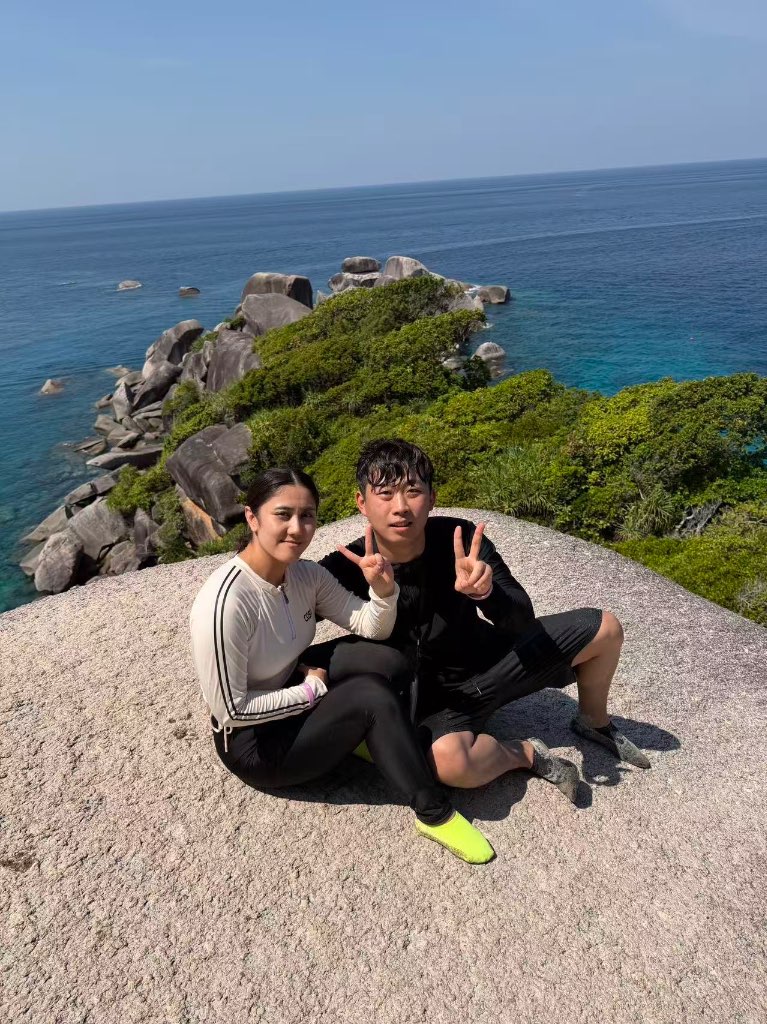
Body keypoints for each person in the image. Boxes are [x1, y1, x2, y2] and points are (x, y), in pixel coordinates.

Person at [189, 466, 495, 864]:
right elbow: (231, 711)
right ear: (252, 517)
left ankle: (380, 736)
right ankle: (433, 813)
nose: (297, 529)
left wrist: (383, 591)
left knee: (391, 658)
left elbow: (370, 626)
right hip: (256, 744)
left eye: (307, 516)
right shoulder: (226, 602)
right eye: (283, 514)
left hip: (289, 687)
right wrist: (311, 691)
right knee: (371, 696)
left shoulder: (305, 575)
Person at [319, 439, 651, 795]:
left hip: (496, 663)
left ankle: (593, 722)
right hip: (440, 702)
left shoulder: (460, 539)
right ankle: (525, 754)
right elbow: (288, 613)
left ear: (431, 498)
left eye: (413, 491)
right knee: (451, 765)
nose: (400, 507)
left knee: (605, 629)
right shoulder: (346, 566)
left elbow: (522, 620)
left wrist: (487, 594)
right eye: (385, 494)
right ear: (362, 503)